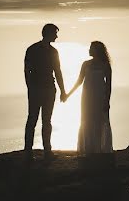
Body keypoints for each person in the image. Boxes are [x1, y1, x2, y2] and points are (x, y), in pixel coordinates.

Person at [24, 23, 67, 160]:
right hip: (37, 89)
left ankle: (47, 151)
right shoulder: (32, 49)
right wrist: (30, 87)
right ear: (48, 34)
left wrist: (62, 90)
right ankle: (28, 151)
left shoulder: (53, 52)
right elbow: (27, 70)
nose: (56, 36)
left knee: (46, 121)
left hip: (49, 89)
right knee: (33, 119)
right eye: (55, 33)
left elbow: (57, 71)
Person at [64, 40, 113, 156]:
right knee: (87, 120)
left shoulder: (105, 65)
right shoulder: (85, 64)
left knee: (100, 121)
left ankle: (99, 148)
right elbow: (79, 81)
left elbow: (109, 85)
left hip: (100, 96)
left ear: (97, 50)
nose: (89, 50)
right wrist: (68, 94)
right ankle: (88, 147)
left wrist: (107, 101)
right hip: (87, 97)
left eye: (91, 48)